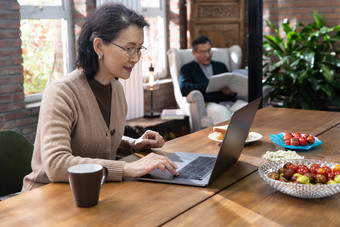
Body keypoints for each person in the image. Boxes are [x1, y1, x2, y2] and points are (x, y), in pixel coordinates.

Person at [22, 3, 178, 192]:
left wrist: (133, 144)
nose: (136, 58)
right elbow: (56, 164)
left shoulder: (117, 89)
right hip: (46, 196)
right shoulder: (61, 92)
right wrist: (128, 168)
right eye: (129, 48)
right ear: (99, 46)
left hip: (91, 192)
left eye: (139, 49)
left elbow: (97, 143)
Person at [179, 35, 247, 124]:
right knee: (221, 112)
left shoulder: (220, 66)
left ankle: (250, 137)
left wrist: (230, 92)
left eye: (209, 50)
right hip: (210, 104)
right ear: (194, 53)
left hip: (229, 101)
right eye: (203, 52)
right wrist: (209, 84)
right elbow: (184, 88)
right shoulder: (187, 69)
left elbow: (230, 85)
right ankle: (226, 138)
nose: (207, 55)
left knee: (246, 108)